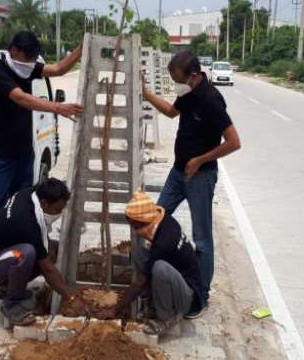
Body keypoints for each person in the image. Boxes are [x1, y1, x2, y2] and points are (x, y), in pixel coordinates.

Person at [0, 31, 83, 286]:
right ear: (13, 50)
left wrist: (83, 46)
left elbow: (57, 69)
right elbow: (22, 99)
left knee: (22, 214)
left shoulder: (26, 68)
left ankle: (14, 270)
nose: (30, 64)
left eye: (33, 59)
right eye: (27, 58)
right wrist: (58, 107)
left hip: (23, 157)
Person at [142, 51, 240, 315]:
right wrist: (146, 94)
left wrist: (200, 160)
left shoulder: (211, 101)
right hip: (177, 173)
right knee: (155, 219)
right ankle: (159, 274)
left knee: (202, 239)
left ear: (194, 76)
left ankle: (200, 297)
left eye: (177, 80)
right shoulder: (187, 94)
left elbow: (234, 142)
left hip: (201, 177)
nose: (175, 85)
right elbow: (172, 113)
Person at [0, 178, 86, 325]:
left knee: (52, 249)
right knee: (25, 254)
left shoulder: (32, 194)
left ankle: (9, 287)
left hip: (5, 251)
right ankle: (12, 305)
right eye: (58, 209)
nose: (60, 212)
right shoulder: (26, 222)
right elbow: (47, 269)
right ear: (44, 204)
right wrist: (69, 297)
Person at [99, 191, 203, 334]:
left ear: (144, 223)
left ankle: (165, 318)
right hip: (177, 280)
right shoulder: (164, 220)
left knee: (159, 268)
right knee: (138, 253)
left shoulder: (164, 242)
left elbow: (139, 282)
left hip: (188, 298)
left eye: (135, 227)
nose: (135, 232)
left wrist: (115, 309)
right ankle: (151, 302)